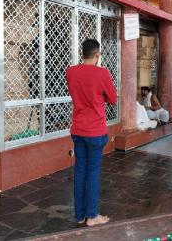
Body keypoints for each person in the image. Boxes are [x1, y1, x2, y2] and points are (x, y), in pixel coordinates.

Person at [66, 39, 117, 227]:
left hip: (78, 129)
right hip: (95, 130)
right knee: (93, 172)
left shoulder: (70, 72)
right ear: (98, 55)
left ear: (82, 53)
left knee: (80, 171)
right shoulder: (102, 73)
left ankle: (80, 215)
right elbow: (112, 98)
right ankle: (92, 216)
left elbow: (76, 92)